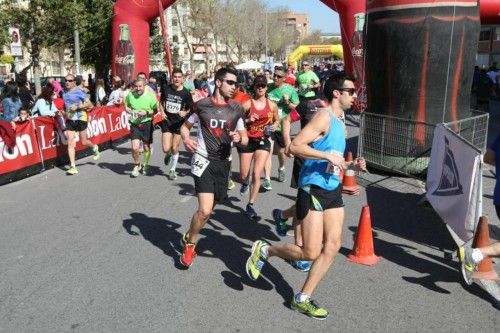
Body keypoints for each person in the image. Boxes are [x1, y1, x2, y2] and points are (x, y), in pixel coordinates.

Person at [246, 74, 365, 320]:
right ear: (336, 93)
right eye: (351, 91)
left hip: (332, 189)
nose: (355, 95)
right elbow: (295, 147)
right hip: (313, 188)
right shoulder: (324, 117)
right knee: (310, 252)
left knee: (331, 248)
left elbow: (337, 161)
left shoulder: (341, 122)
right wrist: (326, 158)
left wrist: (353, 166)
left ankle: (302, 298)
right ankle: (266, 251)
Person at [179, 67, 248, 267]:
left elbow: (244, 139)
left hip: (224, 163)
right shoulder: (202, 106)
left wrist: (239, 138)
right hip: (203, 160)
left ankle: (190, 233)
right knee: (205, 211)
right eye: (230, 83)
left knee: (210, 209)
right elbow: (185, 127)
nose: (234, 87)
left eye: (236, 84)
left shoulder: (237, 109)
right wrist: (186, 139)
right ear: (218, 83)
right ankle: (191, 245)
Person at [273, 96, 328, 272]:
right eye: (347, 91)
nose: (351, 96)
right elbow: (287, 119)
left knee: (313, 202)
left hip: (325, 163)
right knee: (303, 204)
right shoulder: (309, 104)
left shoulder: (337, 113)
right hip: (304, 160)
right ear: (335, 92)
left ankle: (282, 215)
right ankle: (299, 248)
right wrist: (289, 143)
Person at [238, 75, 279, 218]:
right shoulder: (248, 104)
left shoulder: (272, 105)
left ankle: (250, 205)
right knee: (244, 174)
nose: (260, 88)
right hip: (248, 140)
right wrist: (248, 119)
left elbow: (277, 120)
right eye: (258, 86)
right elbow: (238, 120)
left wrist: (274, 126)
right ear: (254, 87)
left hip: (263, 141)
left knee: (256, 174)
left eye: (263, 86)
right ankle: (244, 183)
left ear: (267, 88)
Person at [265, 67, 300, 189]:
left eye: (279, 76)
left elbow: (295, 107)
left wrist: (287, 103)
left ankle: (281, 167)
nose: (275, 78)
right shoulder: (268, 88)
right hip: (268, 124)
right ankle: (267, 179)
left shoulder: (290, 90)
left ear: (284, 78)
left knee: (281, 152)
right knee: (267, 151)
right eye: (275, 75)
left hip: (282, 126)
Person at [159, 68, 194, 180]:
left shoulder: (186, 93)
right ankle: (168, 153)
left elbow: (191, 108)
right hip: (167, 121)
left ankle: (173, 170)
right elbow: (161, 102)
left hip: (179, 122)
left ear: (182, 78)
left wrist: (185, 112)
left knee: (175, 147)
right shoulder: (166, 89)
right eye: (175, 77)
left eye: (179, 77)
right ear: (172, 78)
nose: (177, 79)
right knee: (165, 148)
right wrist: (162, 112)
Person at [63, 74, 100, 175]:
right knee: (70, 142)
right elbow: (65, 108)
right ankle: (73, 166)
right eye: (66, 80)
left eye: (70, 81)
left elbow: (90, 104)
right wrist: (62, 112)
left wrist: (78, 107)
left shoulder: (79, 91)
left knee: (83, 141)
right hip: (70, 120)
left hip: (81, 118)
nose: (67, 82)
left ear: (74, 82)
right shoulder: (64, 94)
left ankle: (94, 147)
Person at [124, 77, 158, 177]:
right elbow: (126, 105)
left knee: (146, 147)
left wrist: (146, 112)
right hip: (135, 124)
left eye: (140, 86)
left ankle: (146, 164)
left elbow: (155, 111)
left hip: (147, 123)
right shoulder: (130, 95)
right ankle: (137, 165)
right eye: (136, 86)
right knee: (135, 148)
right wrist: (128, 110)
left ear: (144, 86)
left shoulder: (150, 96)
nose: (138, 88)